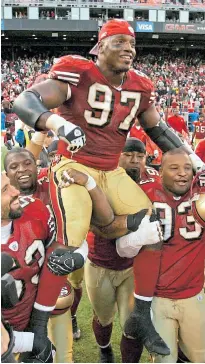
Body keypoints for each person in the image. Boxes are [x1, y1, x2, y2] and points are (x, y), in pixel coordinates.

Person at [13, 19, 202, 354]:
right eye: (118, 43)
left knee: (153, 225)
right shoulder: (79, 73)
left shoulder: (139, 86)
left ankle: (140, 315)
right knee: (69, 243)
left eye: (131, 44)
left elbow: (158, 130)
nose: (128, 49)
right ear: (99, 48)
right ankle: (39, 328)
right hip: (73, 165)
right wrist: (56, 122)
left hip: (110, 170)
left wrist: (192, 157)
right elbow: (26, 102)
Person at [118, 149, 205, 363]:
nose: (182, 173)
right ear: (160, 171)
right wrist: (139, 237)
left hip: (193, 294)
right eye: (174, 168)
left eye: (187, 168)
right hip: (156, 298)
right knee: (164, 359)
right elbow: (121, 249)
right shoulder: (143, 193)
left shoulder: (199, 195)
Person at [1, 172, 67, 362]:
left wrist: (73, 257)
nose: (16, 192)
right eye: (5, 189)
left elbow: (68, 243)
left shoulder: (35, 208)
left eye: (10, 184)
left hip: (35, 315)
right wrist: (32, 341)